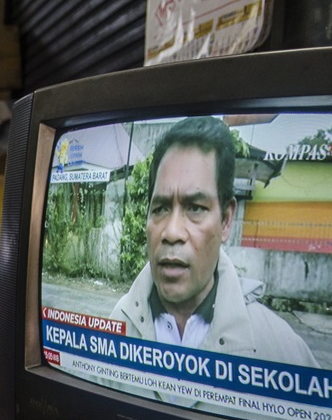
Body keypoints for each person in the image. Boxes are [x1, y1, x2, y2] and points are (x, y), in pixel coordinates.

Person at [110, 116, 317, 367]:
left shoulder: (281, 352)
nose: (172, 232)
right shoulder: (117, 324)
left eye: (195, 207)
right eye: (161, 208)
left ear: (226, 220)